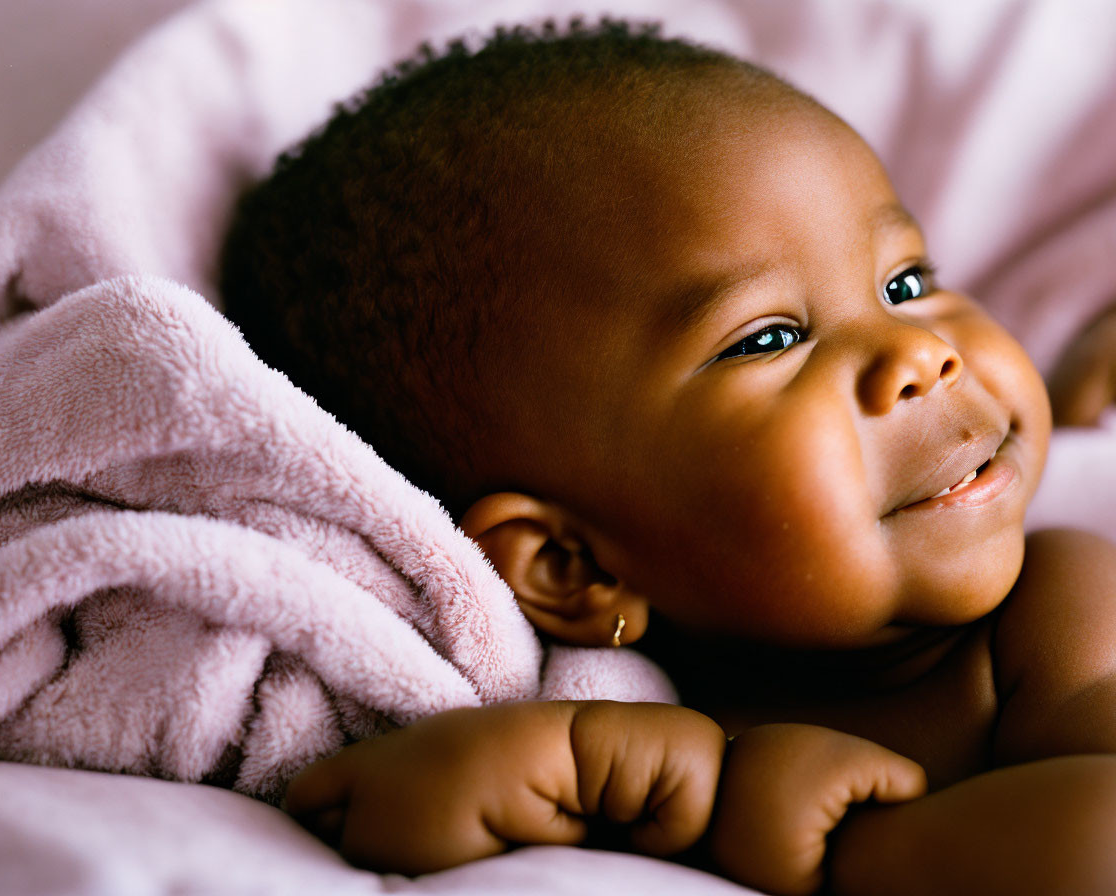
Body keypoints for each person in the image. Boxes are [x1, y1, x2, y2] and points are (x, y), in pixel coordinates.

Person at [221, 21, 1116, 896]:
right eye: (770, 338)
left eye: (906, 284)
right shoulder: (616, 732)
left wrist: (854, 849)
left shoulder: (1057, 609)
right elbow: (390, 814)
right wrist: (592, 776)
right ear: (573, 567)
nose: (922, 354)